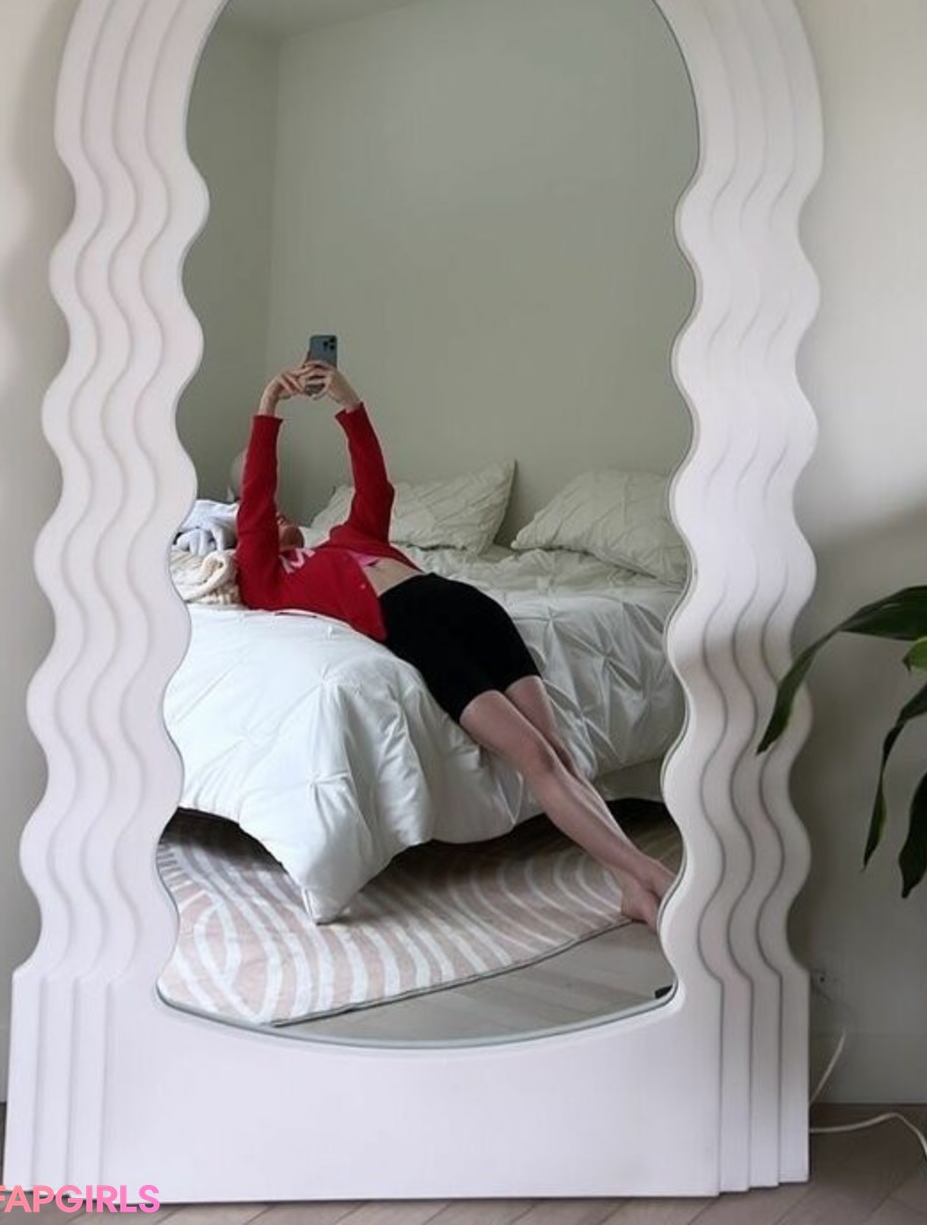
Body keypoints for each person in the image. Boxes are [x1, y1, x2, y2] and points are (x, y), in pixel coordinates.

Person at [236, 358, 676, 929]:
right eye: (267, 518)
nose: (276, 514)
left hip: (472, 607)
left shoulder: (348, 535)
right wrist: (268, 408)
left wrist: (349, 403)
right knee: (536, 758)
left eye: (281, 512)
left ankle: (630, 885)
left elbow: (374, 483)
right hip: (417, 629)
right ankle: (649, 873)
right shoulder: (271, 584)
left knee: (559, 751)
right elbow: (255, 499)